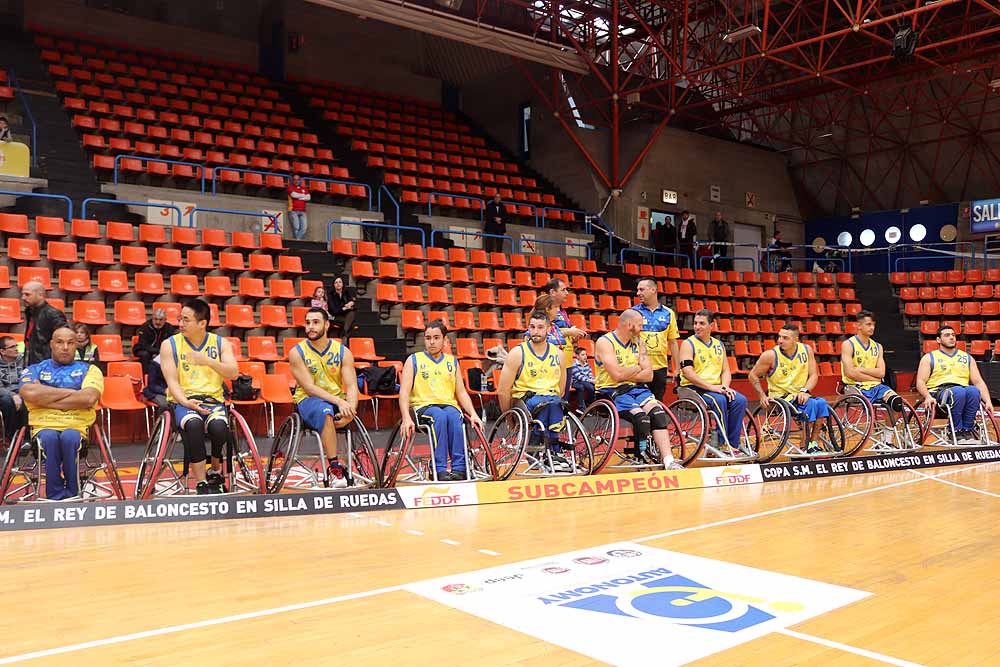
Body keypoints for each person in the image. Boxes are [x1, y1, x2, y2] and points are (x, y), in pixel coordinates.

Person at [159, 298, 240, 495]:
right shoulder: (169, 345)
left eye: (186, 320)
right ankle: (202, 481)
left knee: (219, 428)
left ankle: (215, 469)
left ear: (202, 323)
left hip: (213, 401)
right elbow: (172, 381)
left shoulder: (221, 344)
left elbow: (233, 373)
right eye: (180, 319)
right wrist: (185, 401)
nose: (180, 324)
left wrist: (208, 361)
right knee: (194, 426)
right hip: (184, 401)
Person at [19, 326, 104, 500]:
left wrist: (45, 394)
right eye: (59, 342)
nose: (65, 347)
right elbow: (29, 393)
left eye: (70, 343)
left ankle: (73, 492)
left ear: (76, 345)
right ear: (51, 344)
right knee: (49, 438)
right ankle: (55, 495)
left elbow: (88, 398)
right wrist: (74, 394)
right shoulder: (34, 369)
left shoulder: (90, 370)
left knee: (69, 437)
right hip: (44, 424)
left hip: (76, 424)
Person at [594, 309, 682, 468]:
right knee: (641, 417)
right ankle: (641, 456)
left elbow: (649, 376)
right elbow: (616, 376)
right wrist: (636, 368)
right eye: (640, 325)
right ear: (629, 325)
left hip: (637, 389)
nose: (642, 329)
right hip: (611, 391)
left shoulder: (639, 342)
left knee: (658, 413)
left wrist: (627, 371)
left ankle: (669, 461)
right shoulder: (605, 342)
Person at [399, 320, 483, 481]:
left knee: (454, 415)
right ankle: (438, 467)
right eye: (428, 338)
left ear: (444, 340)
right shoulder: (414, 360)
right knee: (439, 416)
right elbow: (403, 392)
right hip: (422, 407)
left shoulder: (452, 362)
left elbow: (461, 392)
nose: (432, 342)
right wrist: (405, 418)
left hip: (448, 406)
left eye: (436, 337)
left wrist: (473, 413)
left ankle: (459, 468)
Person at [289, 307, 359, 488]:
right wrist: (338, 401)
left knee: (330, 408)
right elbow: (310, 388)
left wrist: (350, 410)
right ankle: (334, 467)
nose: (310, 327)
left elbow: (351, 385)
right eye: (307, 322)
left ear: (327, 325)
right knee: (325, 409)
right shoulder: (297, 353)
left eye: (315, 322)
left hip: (336, 400)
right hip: (308, 400)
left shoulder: (343, 352)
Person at [499, 311, 570, 472]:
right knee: (547, 404)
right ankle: (550, 452)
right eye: (532, 327)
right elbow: (503, 390)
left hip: (551, 399)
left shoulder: (559, 355)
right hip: (525, 399)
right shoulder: (517, 353)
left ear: (549, 329)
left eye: (540, 327)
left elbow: (561, 388)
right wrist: (508, 417)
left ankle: (551, 452)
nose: (536, 331)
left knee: (556, 402)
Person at [748, 324, 829, 453]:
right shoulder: (770, 355)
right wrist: (762, 396)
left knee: (821, 403)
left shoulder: (806, 350)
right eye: (779, 336)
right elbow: (752, 375)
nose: (780, 340)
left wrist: (804, 391)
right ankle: (804, 446)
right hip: (780, 398)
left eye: (785, 338)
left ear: (795, 339)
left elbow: (814, 375)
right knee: (810, 403)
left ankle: (813, 443)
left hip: (800, 395)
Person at [679, 309, 748, 450]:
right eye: (695, 323)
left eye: (702, 323)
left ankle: (733, 444)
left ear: (712, 325)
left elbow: (726, 370)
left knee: (740, 400)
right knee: (720, 400)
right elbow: (687, 372)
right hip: (693, 387)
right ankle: (721, 444)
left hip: (716, 388)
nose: (697, 327)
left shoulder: (719, 345)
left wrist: (725, 387)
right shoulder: (688, 344)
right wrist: (714, 388)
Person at [915, 326, 993, 444]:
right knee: (958, 392)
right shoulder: (929, 357)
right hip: (939, 392)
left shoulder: (966, 357)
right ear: (938, 340)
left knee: (973, 391)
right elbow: (920, 382)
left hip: (962, 390)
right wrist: (927, 396)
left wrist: (988, 401)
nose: (951, 337)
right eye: (947, 335)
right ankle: (954, 431)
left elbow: (978, 382)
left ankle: (967, 429)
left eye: (953, 335)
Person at [841, 310, 906, 435]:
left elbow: (881, 373)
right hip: (855, 387)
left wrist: (859, 369)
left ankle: (887, 440)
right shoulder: (848, 345)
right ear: (859, 325)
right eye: (868, 324)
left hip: (876, 386)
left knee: (896, 402)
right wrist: (872, 377)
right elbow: (850, 373)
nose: (872, 327)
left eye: (873, 324)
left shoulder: (878, 346)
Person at [634, 278, 680, 402]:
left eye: (641, 289)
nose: (638, 293)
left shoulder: (668, 313)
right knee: (641, 405)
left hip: (660, 368)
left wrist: (677, 369)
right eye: (638, 290)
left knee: (657, 403)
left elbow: (673, 342)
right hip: (639, 367)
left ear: (653, 290)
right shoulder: (633, 312)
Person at [21, 281, 68, 366]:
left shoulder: (53, 314)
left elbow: (64, 339)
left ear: (40, 295)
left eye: (27, 294)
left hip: (47, 364)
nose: (23, 298)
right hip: (32, 359)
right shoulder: (29, 311)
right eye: (23, 294)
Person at [544, 278, 587, 366]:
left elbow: (565, 336)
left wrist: (574, 336)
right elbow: (544, 334)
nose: (567, 293)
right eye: (563, 290)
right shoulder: (545, 310)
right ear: (552, 292)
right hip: (553, 362)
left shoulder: (563, 312)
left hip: (567, 361)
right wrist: (569, 332)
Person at [133, 309, 176, 376]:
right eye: (155, 319)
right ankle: (146, 377)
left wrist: (162, 352)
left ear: (165, 320)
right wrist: (157, 351)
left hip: (162, 351)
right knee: (145, 354)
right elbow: (143, 344)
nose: (158, 322)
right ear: (152, 319)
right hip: (145, 350)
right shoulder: (145, 326)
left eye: (161, 319)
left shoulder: (169, 328)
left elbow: (172, 343)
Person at [0, 335, 26, 440]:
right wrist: (13, 395)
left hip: (21, 392)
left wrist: (20, 394)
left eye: (16, 346)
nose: (16, 349)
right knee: (7, 401)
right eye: (12, 347)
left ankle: (25, 437)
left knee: (29, 399)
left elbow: (27, 380)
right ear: (2, 351)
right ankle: (9, 436)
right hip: (5, 395)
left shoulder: (23, 360)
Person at [328, 276, 357, 340]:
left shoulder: (346, 292)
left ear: (343, 283)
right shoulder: (331, 295)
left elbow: (354, 305)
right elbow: (334, 311)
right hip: (335, 316)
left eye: (340, 282)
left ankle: (344, 334)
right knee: (351, 324)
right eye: (336, 282)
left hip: (346, 315)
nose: (338, 284)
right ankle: (345, 335)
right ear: (333, 285)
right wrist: (344, 308)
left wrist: (352, 303)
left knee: (352, 313)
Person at [287, 173, 311, 240]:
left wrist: (299, 196)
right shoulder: (290, 187)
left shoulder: (304, 188)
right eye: (295, 180)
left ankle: (297, 240)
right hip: (293, 210)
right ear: (292, 180)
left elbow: (308, 197)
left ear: (300, 180)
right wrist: (303, 196)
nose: (296, 181)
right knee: (296, 227)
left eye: (298, 180)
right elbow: (294, 195)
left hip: (303, 211)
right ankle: (297, 242)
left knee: (304, 229)